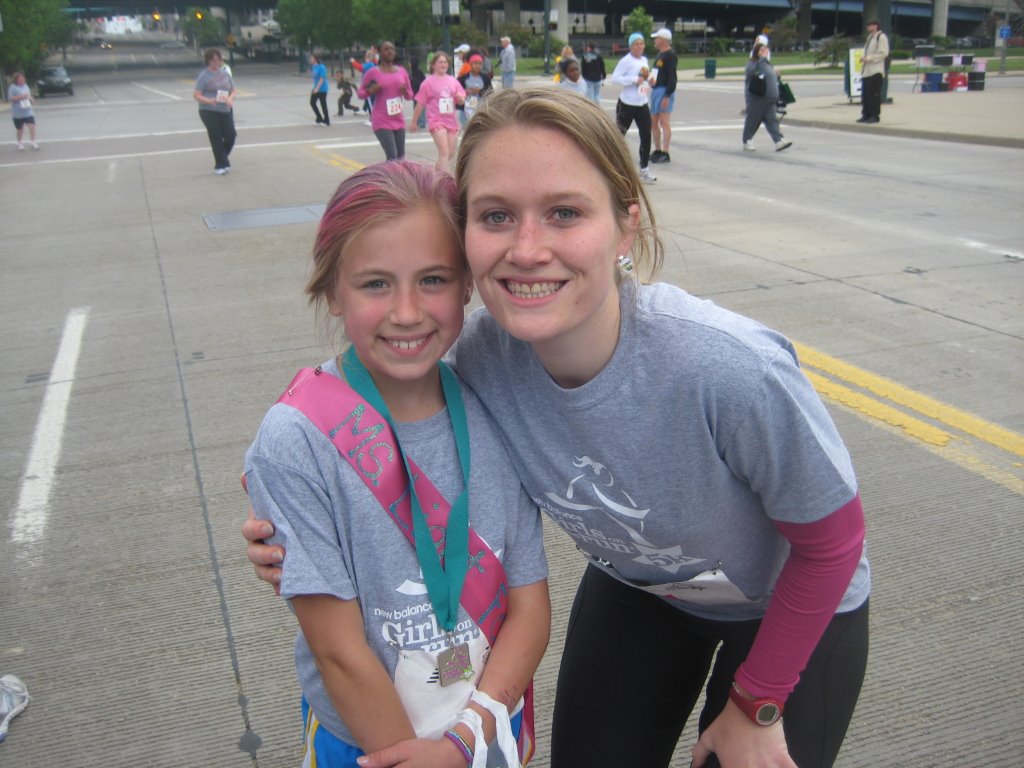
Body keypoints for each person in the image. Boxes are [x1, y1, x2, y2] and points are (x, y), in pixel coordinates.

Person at [246, 88, 870, 768]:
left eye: (565, 213)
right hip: (643, 589)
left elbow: (834, 544)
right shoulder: (474, 357)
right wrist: (295, 533)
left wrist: (759, 703)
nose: (528, 248)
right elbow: (360, 388)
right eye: (495, 216)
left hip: (793, 603)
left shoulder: (726, 369)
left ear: (626, 225)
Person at [245, 160, 550, 768]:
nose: (407, 313)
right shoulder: (297, 439)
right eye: (375, 284)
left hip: (485, 721)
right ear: (333, 290)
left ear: (467, 283)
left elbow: (530, 605)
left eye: (433, 280)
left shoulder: (498, 403)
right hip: (365, 740)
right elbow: (339, 652)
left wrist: (465, 743)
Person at [610, 32, 656, 183]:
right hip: (627, 103)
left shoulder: (644, 60)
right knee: (619, 134)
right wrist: (634, 79)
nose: (640, 46)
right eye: (637, 44)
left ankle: (644, 168)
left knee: (646, 135)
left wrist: (649, 81)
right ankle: (611, 165)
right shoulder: (626, 61)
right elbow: (615, 78)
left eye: (642, 43)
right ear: (631, 46)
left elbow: (645, 78)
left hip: (642, 102)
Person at [357, 41, 413, 162]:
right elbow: (360, 93)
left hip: (398, 118)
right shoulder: (373, 72)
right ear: (380, 53)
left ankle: (399, 181)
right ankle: (390, 180)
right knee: (392, 157)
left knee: (401, 158)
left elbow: (410, 95)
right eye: (386, 49)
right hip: (381, 119)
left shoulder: (402, 71)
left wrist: (405, 92)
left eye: (392, 49)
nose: (390, 51)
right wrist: (370, 91)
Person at [411, 51, 465, 170]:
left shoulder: (453, 81)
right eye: (440, 62)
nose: (443, 64)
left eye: (445, 62)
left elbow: (461, 99)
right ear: (433, 65)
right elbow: (420, 103)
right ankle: (444, 181)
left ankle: (435, 172)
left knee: (450, 153)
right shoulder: (428, 82)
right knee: (444, 151)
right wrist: (414, 121)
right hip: (436, 121)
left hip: (451, 121)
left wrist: (460, 98)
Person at [192, 49, 237, 175]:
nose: (216, 62)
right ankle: (220, 165)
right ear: (208, 61)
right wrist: (208, 100)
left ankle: (222, 158)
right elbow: (196, 94)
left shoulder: (225, 74)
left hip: (225, 109)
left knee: (231, 135)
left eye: (218, 60)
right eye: (213, 60)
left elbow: (233, 90)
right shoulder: (204, 76)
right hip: (208, 110)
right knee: (216, 136)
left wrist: (230, 98)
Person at [743, 43, 792, 153]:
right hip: (758, 97)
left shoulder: (767, 64)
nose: (765, 52)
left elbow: (769, 76)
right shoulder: (753, 63)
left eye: (766, 50)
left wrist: (776, 75)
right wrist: (761, 60)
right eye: (762, 50)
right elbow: (753, 73)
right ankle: (747, 141)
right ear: (756, 52)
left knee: (772, 120)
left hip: (771, 98)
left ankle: (779, 141)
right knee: (753, 119)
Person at [648, 28, 678, 164]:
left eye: (657, 38)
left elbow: (672, 77)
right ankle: (657, 149)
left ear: (663, 40)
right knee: (653, 122)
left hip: (664, 90)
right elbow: (656, 72)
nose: (655, 40)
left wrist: (667, 95)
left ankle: (666, 152)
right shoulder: (660, 55)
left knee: (664, 121)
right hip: (655, 89)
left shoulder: (670, 55)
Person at [859, 19, 889, 124]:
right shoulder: (870, 38)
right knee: (866, 95)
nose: (868, 27)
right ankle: (865, 114)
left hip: (875, 71)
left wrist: (870, 58)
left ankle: (874, 115)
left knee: (874, 95)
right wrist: (864, 58)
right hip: (866, 71)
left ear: (875, 26)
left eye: (870, 25)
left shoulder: (881, 37)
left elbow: (884, 53)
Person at [457, 53, 492, 126]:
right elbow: (457, 92)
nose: (478, 66)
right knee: (466, 127)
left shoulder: (485, 78)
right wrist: (467, 92)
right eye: (475, 63)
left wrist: (480, 91)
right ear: (470, 64)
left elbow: (490, 92)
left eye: (480, 64)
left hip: (480, 108)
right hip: (466, 108)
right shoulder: (463, 79)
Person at [7, 72, 38, 151]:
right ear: (16, 80)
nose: (22, 80)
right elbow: (11, 98)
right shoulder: (13, 87)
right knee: (20, 129)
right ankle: (20, 143)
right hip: (17, 112)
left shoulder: (26, 86)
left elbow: (28, 95)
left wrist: (31, 99)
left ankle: (33, 142)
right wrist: (21, 96)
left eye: (23, 78)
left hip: (27, 110)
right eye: (20, 79)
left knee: (32, 126)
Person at [309, 53, 330, 126]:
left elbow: (322, 79)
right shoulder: (314, 67)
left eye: (311, 58)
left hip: (322, 89)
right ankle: (319, 118)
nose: (310, 59)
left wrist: (317, 88)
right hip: (316, 88)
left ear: (315, 59)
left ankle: (327, 120)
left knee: (323, 104)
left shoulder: (322, 67)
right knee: (312, 102)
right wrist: (315, 88)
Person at [408, 57, 427, 129]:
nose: (409, 64)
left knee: (421, 108)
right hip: (415, 94)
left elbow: (419, 83)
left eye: (410, 63)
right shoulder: (412, 72)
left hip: (420, 93)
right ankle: (418, 122)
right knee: (416, 108)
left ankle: (422, 122)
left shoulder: (418, 72)